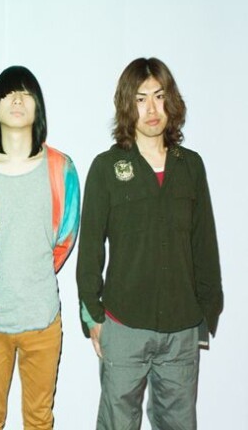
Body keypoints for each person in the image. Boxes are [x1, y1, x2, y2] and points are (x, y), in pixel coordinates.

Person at [76, 57, 223, 429]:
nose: (152, 109)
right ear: (127, 105)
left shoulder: (190, 166)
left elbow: (204, 243)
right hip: (123, 325)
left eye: (159, 96)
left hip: (181, 329)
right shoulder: (106, 168)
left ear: (171, 101)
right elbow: (89, 249)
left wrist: (208, 311)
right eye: (141, 99)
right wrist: (93, 315)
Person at [0, 66, 80, 429]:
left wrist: (32, 272)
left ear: (38, 107)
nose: (17, 100)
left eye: (26, 93)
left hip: (43, 321)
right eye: (8, 94)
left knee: (39, 419)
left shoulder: (62, 169)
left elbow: (64, 238)